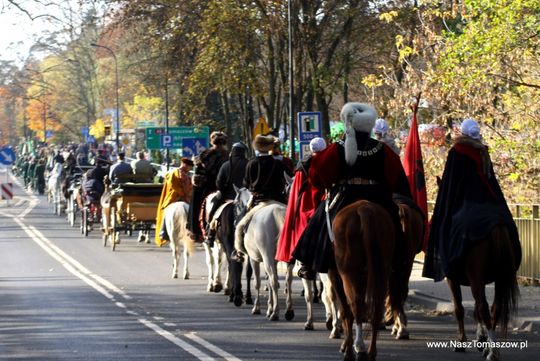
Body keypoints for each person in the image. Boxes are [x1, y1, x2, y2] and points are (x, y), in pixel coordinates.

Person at [292, 102, 411, 278]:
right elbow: (397, 174)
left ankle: (308, 263)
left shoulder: (338, 146)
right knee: (394, 222)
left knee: (317, 222)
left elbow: (317, 173)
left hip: (344, 194)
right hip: (377, 195)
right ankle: (399, 261)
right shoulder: (381, 148)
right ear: (369, 125)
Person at [422, 119, 521, 282]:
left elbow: (450, 181)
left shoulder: (457, 151)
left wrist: (445, 200)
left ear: (463, 133)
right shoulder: (483, 151)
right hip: (488, 199)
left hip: (466, 200)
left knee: (443, 225)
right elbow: (490, 180)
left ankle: (447, 263)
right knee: (507, 221)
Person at [231, 134, 288, 262]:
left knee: (239, 223)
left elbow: (246, 184)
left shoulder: (252, 163)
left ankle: (238, 251)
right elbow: (287, 179)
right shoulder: (278, 163)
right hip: (278, 199)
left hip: (258, 201)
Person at [275, 137, 327, 274]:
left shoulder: (302, 165)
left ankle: (305, 261)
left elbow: (296, 189)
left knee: (301, 225)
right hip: (324, 198)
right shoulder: (328, 162)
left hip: (306, 202)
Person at [203, 142, 249, 247]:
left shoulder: (226, 165)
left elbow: (219, 182)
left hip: (227, 197)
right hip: (246, 197)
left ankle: (210, 233)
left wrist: (221, 189)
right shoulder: (248, 164)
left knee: (214, 209)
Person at [187, 131, 229, 242]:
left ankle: (195, 229)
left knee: (196, 199)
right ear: (224, 142)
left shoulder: (205, 154)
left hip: (208, 185)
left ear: (212, 141)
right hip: (224, 185)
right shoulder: (227, 154)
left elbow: (199, 172)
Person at [155, 157, 194, 246]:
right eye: (189, 167)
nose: (190, 169)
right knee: (165, 211)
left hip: (186, 198)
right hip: (174, 198)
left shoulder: (187, 175)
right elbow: (173, 185)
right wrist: (183, 193)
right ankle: (163, 231)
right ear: (184, 165)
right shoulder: (173, 173)